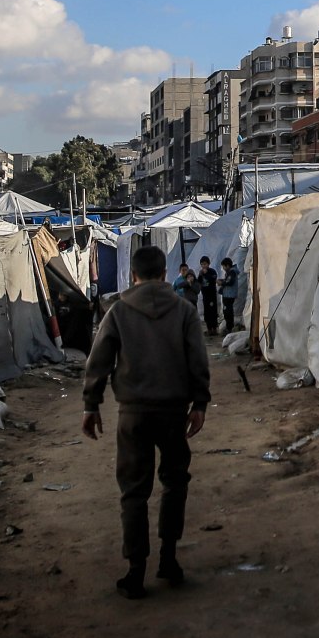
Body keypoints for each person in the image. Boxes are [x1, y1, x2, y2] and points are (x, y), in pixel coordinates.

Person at [82, 245, 212, 599]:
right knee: (175, 483)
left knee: (133, 491)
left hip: (133, 414)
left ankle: (135, 570)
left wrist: (91, 405)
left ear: (133, 275)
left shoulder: (119, 311)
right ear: (165, 274)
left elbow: (99, 360)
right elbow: (198, 360)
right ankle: (168, 558)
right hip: (173, 413)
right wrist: (199, 403)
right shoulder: (184, 311)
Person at [218, 257, 240, 331]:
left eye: (224, 266)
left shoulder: (232, 272)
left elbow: (230, 282)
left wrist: (222, 283)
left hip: (229, 295)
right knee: (227, 311)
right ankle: (229, 327)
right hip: (228, 294)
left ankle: (229, 327)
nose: (223, 268)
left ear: (227, 266)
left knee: (228, 311)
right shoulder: (230, 272)